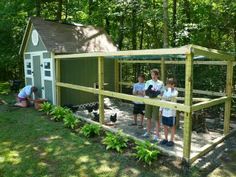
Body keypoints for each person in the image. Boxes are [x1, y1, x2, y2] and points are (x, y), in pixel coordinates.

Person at [142, 69, 165, 141]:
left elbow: (162, 93)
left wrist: (158, 93)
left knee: (156, 118)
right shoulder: (148, 82)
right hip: (149, 101)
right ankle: (148, 132)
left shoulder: (161, 83)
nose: (153, 76)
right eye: (152, 74)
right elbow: (145, 92)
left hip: (157, 102)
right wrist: (149, 93)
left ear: (157, 75)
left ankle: (157, 135)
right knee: (148, 117)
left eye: (155, 75)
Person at [159, 78, 178, 147]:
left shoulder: (175, 92)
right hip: (165, 112)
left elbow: (169, 96)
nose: (167, 86)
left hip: (171, 113)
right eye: (167, 84)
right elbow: (162, 100)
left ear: (173, 85)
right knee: (164, 125)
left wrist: (169, 89)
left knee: (172, 127)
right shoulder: (165, 91)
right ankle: (166, 139)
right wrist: (160, 110)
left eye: (169, 84)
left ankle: (171, 140)